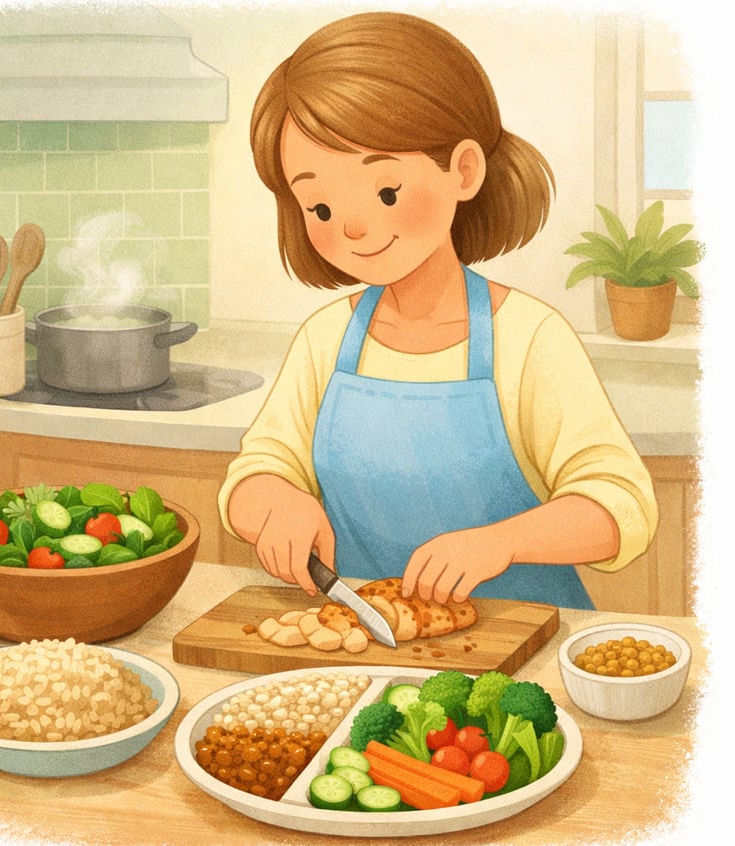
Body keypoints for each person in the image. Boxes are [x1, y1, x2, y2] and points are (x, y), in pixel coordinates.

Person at [217, 12, 658, 610]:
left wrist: (500, 543)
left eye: (386, 191)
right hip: (363, 639)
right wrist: (278, 502)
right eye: (319, 205)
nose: (350, 224)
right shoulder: (327, 339)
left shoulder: (528, 339)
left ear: (465, 170)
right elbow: (254, 472)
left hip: (527, 645)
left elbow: (620, 504)